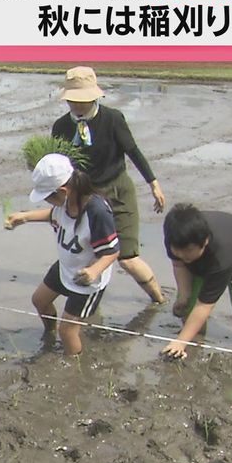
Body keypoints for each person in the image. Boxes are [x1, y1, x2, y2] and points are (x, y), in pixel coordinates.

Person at [51, 66, 166, 304]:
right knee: (90, 257)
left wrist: (153, 183)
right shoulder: (61, 127)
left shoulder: (113, 119)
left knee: (127, 257)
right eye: (73, 100)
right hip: (87, 198)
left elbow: (132, 151)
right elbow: (59, 165)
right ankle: (90, 308)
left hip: (117, 190)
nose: (78, 105)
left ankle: (159, 299)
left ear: (95, 96)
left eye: (84, 100)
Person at [4, 153, 120, 356]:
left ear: (63, 191)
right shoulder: (65, 202)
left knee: (67, 330)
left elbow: (112, 251)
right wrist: (24, 217)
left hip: (86, 280)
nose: (47, 202)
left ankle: (73, 366)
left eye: (48, 196)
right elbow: (52, 215)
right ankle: (49, 335)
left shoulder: (97, 213)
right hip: (66, 265)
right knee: (40, 300)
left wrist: (93, 271)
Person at [160, 203, 232, 359]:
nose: (183, 256)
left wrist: (180, 341)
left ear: (204, 242)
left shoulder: (221, 258)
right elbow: (179, 264)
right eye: (178, 251)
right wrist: (184, 295)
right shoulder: (176, 236)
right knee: (188, 306)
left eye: (188, 252)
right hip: (205, 257)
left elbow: (205, 305)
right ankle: (196, 344)